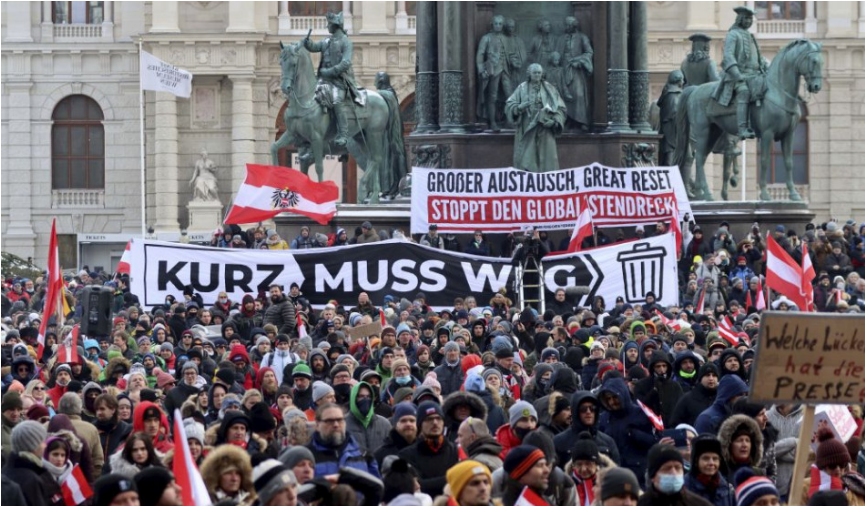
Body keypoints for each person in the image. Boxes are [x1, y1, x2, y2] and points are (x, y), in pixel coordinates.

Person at [301, 11, 361, 147]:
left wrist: (330, 71)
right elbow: (315, 47)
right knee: (310, 98)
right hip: (324, 80)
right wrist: (307, 43)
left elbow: (345, 63)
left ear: (336, 25)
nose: (327, 26)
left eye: (329, 24)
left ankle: (343, 134)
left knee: (336, 100)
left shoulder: (345, 41)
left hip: (340, 81)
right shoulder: (327, 41)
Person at [713, 6, 766, 140]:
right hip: (737, 76)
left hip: (754, 75)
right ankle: (742, 129)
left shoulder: (750, 36)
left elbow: (758, 57)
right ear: (740, 19)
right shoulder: (733, 34)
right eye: (746, 18)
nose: (749, 21)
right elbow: (728, 56)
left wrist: (766, 66)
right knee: (744, 92)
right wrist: (737, 75)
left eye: (750, 19)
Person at [505, 63, 567, 173]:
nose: (537, 75)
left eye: (539, 72)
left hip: (545, 128)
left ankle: (547, 184)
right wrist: (519, 107)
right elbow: (509, 105)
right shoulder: (522, 88)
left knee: (547, 161)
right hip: (526, 127)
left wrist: (554, 122)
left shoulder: (550, 89)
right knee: (526, 160)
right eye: (535, 73)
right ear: (529, 74)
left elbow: (561, 108)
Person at [399, 401, 459, 496]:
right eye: (429, 419)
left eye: (438, 418)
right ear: (420, 425)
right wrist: (451, 478)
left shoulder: (455, 451)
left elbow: (463, 480)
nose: (435, 423)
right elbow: (417, 486)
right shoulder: (407, 455)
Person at [307, 403, 379, 478]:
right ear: (317, 425)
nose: (336, 424)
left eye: (339, 420)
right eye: (329, 421)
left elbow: (376, 486)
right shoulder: (307, 455)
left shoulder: (363, 454)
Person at [1, 420, 64, 506]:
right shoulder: (31, 479)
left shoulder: (7, 470)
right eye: (42, 441)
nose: (45, 445)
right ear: (33, 445)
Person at [554, 391, 620, 467]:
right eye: (583, 409)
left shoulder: (608, 442)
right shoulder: (560, 441)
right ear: (575, 412)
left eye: (592, 408)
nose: (588, 412)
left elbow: (616, 472)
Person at [639, 443, 713, 506]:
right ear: (653, 475)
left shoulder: (699, 504)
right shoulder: (639, 504)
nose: (674, 473)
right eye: (667, 468)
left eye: (678, 468)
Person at [476, 15, 512, 132]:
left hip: (505, 69)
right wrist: (481, 70)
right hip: (492, 71)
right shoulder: (486, 38)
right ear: (492, 25)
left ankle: (509, 120)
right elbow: (480, 54)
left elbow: (509, 54)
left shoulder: (506, 39)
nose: (498, 26)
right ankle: (492, 122)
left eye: (500, 24)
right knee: (492, 96)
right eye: (496, 23)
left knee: (510, 95)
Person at [559, 15, 594, 130]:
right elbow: (556, 53)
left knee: (578, 94)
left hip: (576, 69)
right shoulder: (562, 38)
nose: (567, 27)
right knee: (563, 94)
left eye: (569, 25)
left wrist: (579, 61)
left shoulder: (582, 37)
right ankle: (566, 120)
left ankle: (581, 121)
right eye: (566, 25)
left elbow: (589, 52)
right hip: (563, 68)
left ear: (575, 25)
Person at [685, 435, 734, 506]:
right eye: (706, 458)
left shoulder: (726, 489)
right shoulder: (685, 488)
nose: (711, 463)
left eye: (715, 459)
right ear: (696, 461)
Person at [94, 393, 133, 461]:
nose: (99, 413)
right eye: (97, 409)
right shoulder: (92, 428)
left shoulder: (126, 429)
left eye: (102, 409)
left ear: (113, 410)